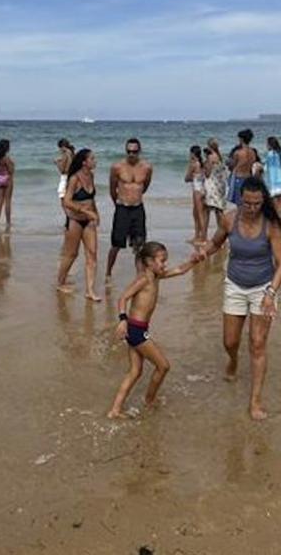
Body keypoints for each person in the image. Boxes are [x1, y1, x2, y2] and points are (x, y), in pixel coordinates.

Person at [192, 177, 281, 421]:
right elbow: (215, 243)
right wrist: (203, 253)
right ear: (240, 199)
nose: (252, 208)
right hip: (234, 284)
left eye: (256, 203)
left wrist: (270, 294)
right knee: (230, 341)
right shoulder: (229, 219)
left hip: (263, 288)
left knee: (257, 343)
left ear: (262, 201)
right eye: (247, 203)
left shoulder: (271, 226)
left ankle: (255, 401)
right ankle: (233, 361)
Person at [108, 242, 198, 419]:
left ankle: (115, 410)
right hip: (135, 330)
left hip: (138, 329)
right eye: (162, 261)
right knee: (163, 366)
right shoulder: (143, 279)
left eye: (165, 261)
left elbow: (180, 270)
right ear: (149, 261)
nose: (165, 265)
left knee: (135, 371)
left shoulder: (156, 276)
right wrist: (122, 320)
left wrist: (194, 261)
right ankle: (149, 400)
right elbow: (123, 298)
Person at [56, 148, 101, 301]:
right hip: (75, 220)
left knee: (92, 254)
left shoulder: (91, 176)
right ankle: (60, 282)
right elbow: (67, 201)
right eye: (92, 159)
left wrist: (96, 213)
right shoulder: (74, 178)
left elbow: (91, 198)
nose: (95, 161)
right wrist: (86, 212)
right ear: (84, 162)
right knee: (71, 254)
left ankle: (90, 290)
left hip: (89, 221)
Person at [106, 138, 153, 280]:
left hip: (138, 208)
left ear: (139, 151)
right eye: (128, 151)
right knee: (116, 244)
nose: (131, 154)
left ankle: (140, 275)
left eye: (134, 151)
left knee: (139, 244)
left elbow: (145, 186)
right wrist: (119, 203)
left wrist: (135, 196)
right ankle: (108, 273)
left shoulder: (147, 167)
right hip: (122, 209)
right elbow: (112, 189)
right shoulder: (117, 167)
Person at [202, 143, 228, 230]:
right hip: (220, 185)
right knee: (219, 210)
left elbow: (208, 173)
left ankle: (203, 235)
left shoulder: (210, 157)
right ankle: (223, 231)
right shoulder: (220, 157)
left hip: (212, 185)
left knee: (207, 210)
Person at [227, 129, 256, 204]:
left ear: (241, 139)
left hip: (238, 178)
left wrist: (228, 162)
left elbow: (232, 165)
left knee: (239, 204)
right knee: (247, 202)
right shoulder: (253, 152)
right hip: (248, 177)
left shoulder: (238, 153)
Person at [264, 137, 281, 220]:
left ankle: (278, 228)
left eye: (267, 144)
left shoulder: (270, 154)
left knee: (276, 209)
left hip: (273, 184)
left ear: (270, 145)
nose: (266, 145)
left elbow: (266, 169)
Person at [186, 145, 207, 242]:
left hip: (197, 190)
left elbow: (187, 178)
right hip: (203, 189)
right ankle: (198, 236)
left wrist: (191, 175)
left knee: (199, 214)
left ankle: (203, 237)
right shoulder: (202, 164)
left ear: (193, 154)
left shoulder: (194, 164)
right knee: (197, 213)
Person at [0, 139, 15, 229]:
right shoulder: (6, 158)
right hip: (7, 179)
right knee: (7, 201)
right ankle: (8, 222)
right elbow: (11, 170)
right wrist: (13, 165)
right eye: (8, 146)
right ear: (6, 147)